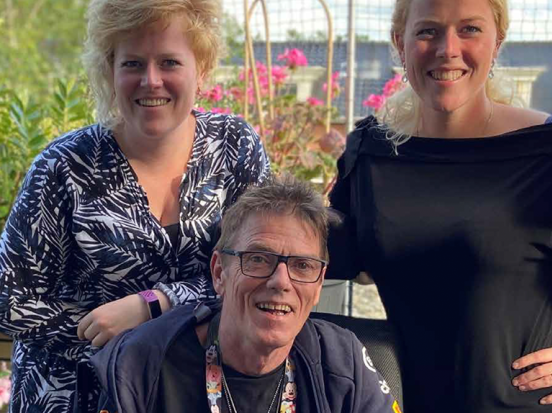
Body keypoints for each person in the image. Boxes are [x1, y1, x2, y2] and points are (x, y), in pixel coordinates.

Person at [0, 0, 269, 412]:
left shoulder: (234, 148)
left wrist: (154, 304)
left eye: (169, 62)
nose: (151, 80)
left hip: (193, 389)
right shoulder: (64, 166)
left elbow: (257, 269)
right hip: (74, 392)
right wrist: (104, 334)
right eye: (133, 63)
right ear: (110, 70)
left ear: (201, 69)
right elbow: (12, 298)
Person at [327, 0, 552, 413]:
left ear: (497, 40)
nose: (448, 50)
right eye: (428, 31)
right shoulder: (371, 156)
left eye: (470, 29)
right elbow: (321, 261)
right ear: (399, 41)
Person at [91, 176, 400, 413]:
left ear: (319, 284)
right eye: (258, 259)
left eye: (302, 265)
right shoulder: (142, 366)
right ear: (219, 273)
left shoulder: (342, 362)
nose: (281, 281)